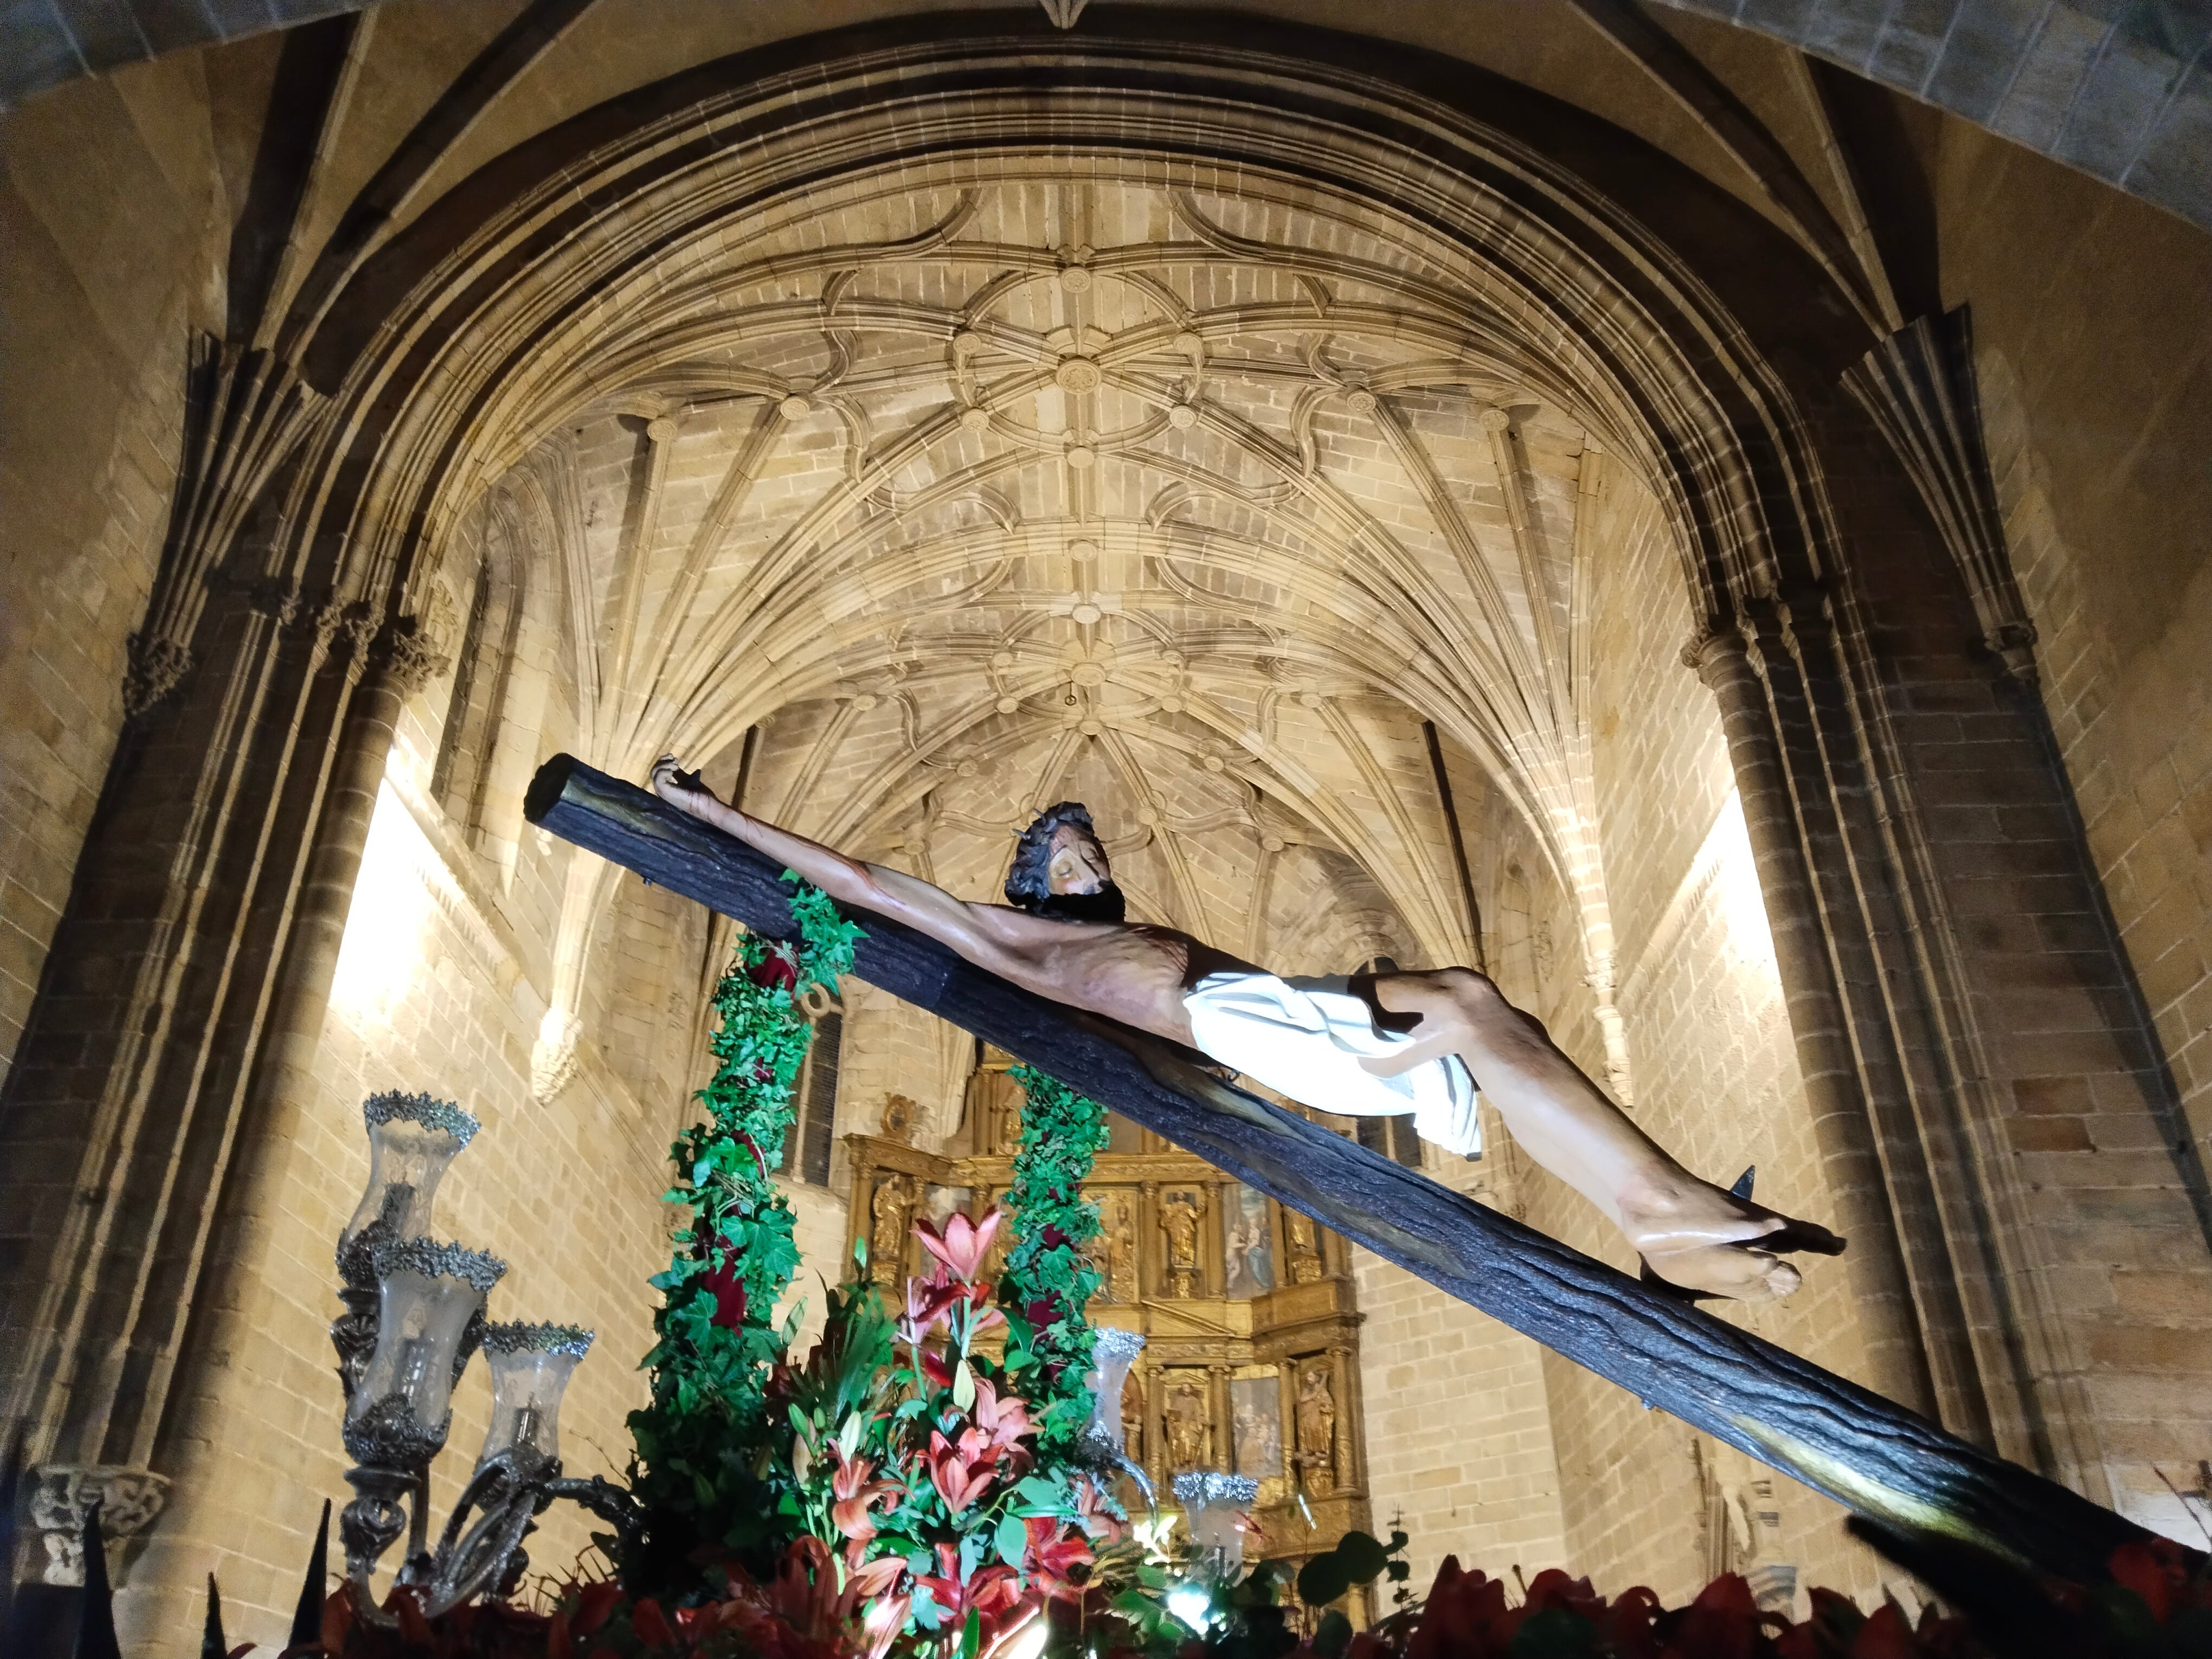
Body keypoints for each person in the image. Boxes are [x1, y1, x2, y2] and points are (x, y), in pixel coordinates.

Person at [650, 762, 1842, 1302]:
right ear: (1030, 881)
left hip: (1282, 1001)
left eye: (1098, 848)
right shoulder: (1013, 942)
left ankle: (1662, 1216)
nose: (1097, 859)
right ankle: (1668, 1211)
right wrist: (712, 814)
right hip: (1250, 1031)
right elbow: (861, 881)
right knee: (1470, 1008)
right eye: (1072, 854)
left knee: (1489, 1010)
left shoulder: (1117, 924)